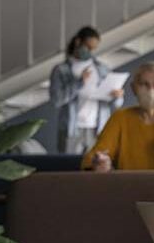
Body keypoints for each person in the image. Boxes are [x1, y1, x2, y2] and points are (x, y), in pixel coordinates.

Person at [81, 61, 154, 171]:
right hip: (128, 188)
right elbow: (90, 159)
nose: (151, 90)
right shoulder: (120, 118)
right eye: (144, 84)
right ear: (134, 88)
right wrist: (101, 162)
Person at [50, 26, 123, 154]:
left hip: (98, 128)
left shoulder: (102, 69)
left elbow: (117, 104)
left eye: (93, 49)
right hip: (71, 129)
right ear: (78, 42)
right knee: (69, 170)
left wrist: (118, 96)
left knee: (96, 170)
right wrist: (79, 83)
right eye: (88, 47)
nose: (90, 52)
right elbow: (57, 100)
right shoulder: (61, 70)